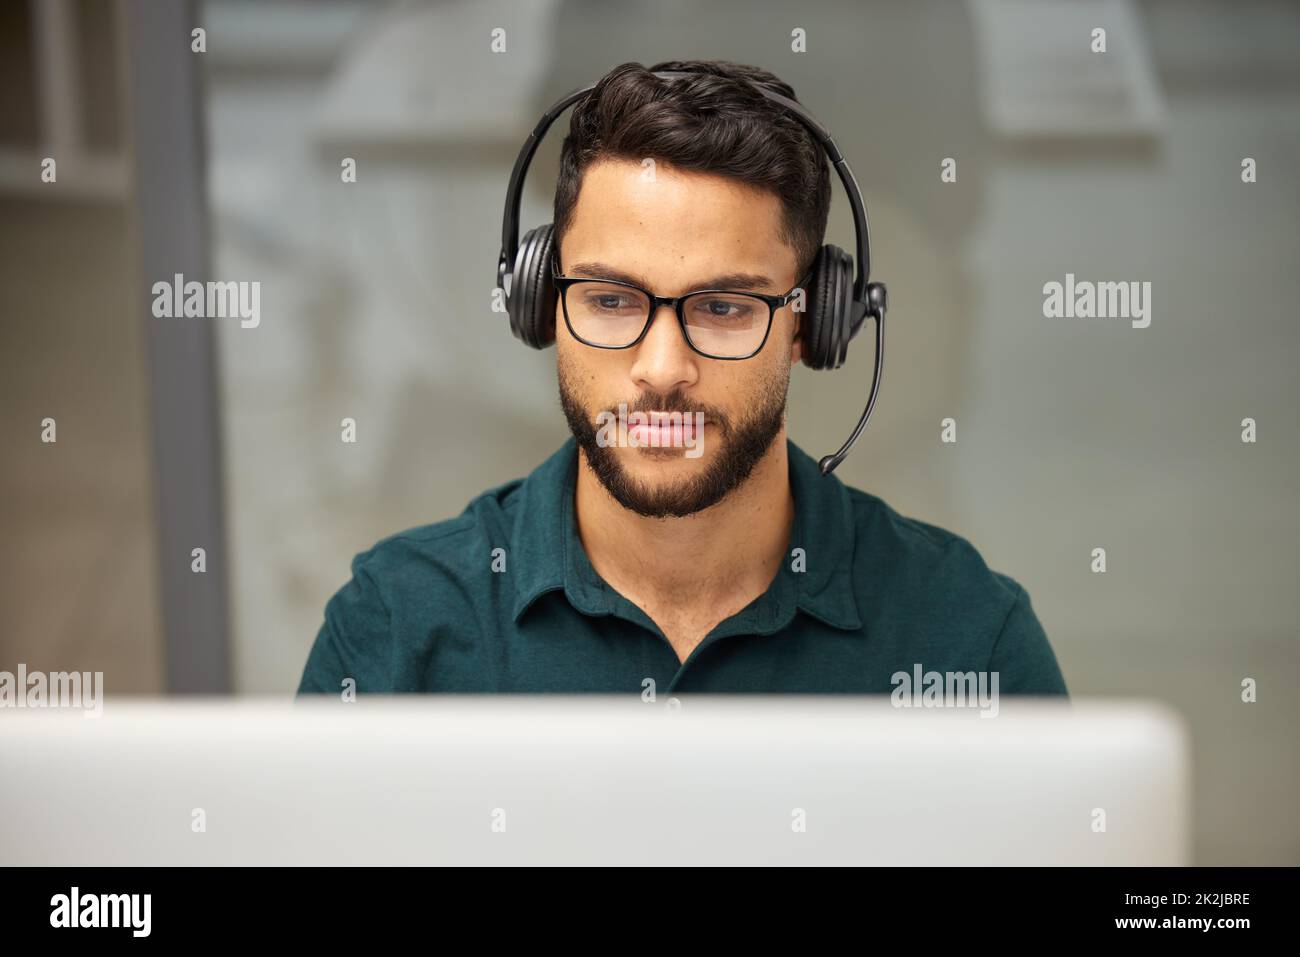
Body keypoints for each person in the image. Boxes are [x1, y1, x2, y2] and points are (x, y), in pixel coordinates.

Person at [297, 60, 1068, 697]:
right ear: (539, 307)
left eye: (724, 307)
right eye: (609, 299)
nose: (662, 369)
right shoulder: (396, 626)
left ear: (812, 323)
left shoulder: (971, 636)